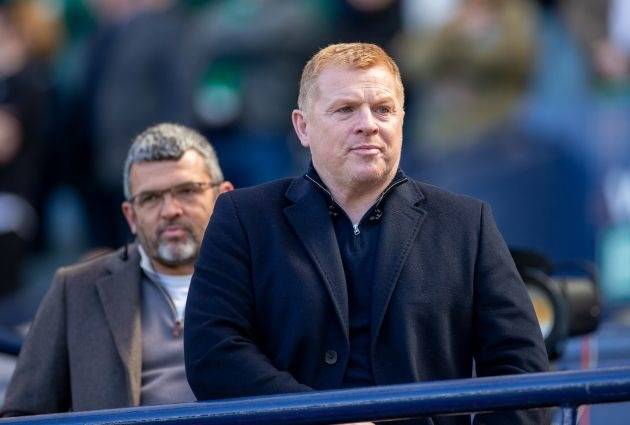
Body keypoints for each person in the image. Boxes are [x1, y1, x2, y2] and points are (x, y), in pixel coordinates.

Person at [184, 43, 549, 424]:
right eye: (345, 109)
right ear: (303, 127)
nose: (368, 124)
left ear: (402, 121)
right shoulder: (244, 218)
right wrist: (322, 419)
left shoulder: (466, 224)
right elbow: (213, 355)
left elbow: (522, 371)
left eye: (383, 109)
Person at [0, 123, 233, 416]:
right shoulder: (77, 289)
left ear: (223, 197)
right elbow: (23, 416)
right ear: (130, 216)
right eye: (150, 198)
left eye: (187, 191)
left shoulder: (265, 275)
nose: (170, 210)